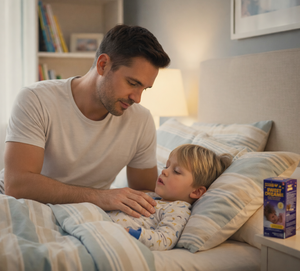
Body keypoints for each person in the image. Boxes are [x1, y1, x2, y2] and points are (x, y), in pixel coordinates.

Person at [0, 24, 170, 218]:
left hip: (83, 213)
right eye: (132, 83)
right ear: (103, 65)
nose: (137, 98)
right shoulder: (36, 99)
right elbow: (17, 185)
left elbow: (144, 192)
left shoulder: (141, 121)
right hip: (18, 203)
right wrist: (101, 197)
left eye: (145, 89)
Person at [107, 144, 232, 251]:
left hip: (110, 233)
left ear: (197, 191)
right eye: (167, 166)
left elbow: (164, 240)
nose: (164, 171)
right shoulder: (153, 196)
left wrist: (127, 233)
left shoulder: (178, 209)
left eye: (176, 171)